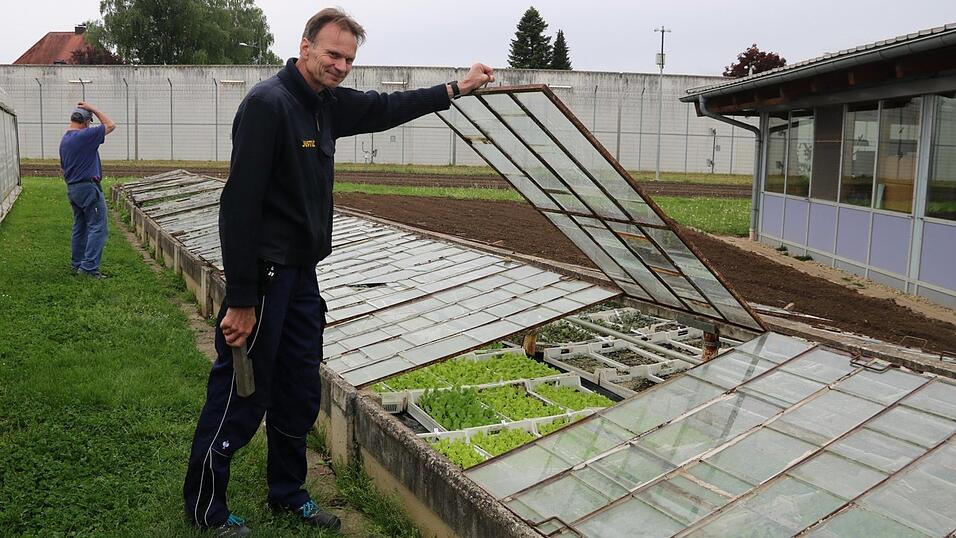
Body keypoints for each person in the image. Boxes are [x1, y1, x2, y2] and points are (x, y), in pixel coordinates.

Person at [182, 7, 494, 536]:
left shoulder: (326, 103)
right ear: (304, 46)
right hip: (265, 276)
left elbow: (387, 107)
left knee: (300, 389)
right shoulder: (268, 105)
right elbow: (238, 206)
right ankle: (206, 508)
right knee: (242, 392)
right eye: (333, 54)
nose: (342, 66)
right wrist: (242, 299)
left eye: (349, 59)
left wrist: (456, 88)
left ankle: (288, 493)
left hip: (302, 277)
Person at [59, 102, 115, 278]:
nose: (90, 125)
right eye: (89, 121)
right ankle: (89, 269)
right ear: (85, 121)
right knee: (98, 227)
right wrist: (93, 108)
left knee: (81, 227)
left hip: (73, 188)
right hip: (88, 188)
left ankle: (77, 264)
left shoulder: (65, 140)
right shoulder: (84, 135)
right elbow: (110, 125)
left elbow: (63, 168)